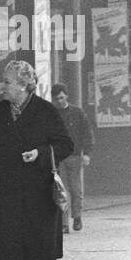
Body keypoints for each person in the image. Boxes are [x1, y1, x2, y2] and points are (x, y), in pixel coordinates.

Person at [0, 59, 73, 260]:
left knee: (37, 249)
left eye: (7, 82)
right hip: (6, 193)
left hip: (38, 194)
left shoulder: (45, 111)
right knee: (11, 249)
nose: (2, 86)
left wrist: (41, 153)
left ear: (23, 85)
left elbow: (66, 144)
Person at [51, 83, 94, 232]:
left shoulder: (78, 113)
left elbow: (87, 133)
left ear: (67, 96)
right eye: (57, 99)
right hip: (59, 157)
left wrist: (87, 153)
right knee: (62, 191)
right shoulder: (52, 115)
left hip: (75, 156)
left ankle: (77, 217)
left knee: (76, 189)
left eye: (62, 98)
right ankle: (63, 224)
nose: (60, 101)